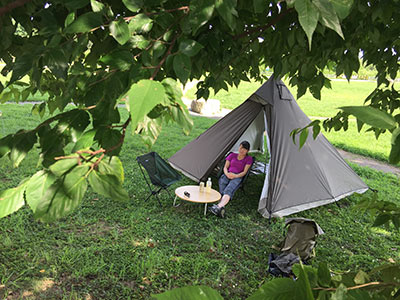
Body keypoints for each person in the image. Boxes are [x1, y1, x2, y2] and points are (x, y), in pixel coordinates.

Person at [209, 141, 253, 218]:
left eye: (245, 149)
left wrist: (235, 176)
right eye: (241, 147)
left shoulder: (248, 159)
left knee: (229, 188)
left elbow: (244, 172)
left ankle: (218, 207)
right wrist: (227, 174)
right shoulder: (232, 155)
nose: (242, 150)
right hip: (227, 174)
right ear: (239, 147)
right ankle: (221, 206)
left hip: (238, 176)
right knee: (222, 182)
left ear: (247, 151)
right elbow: (225, 167)